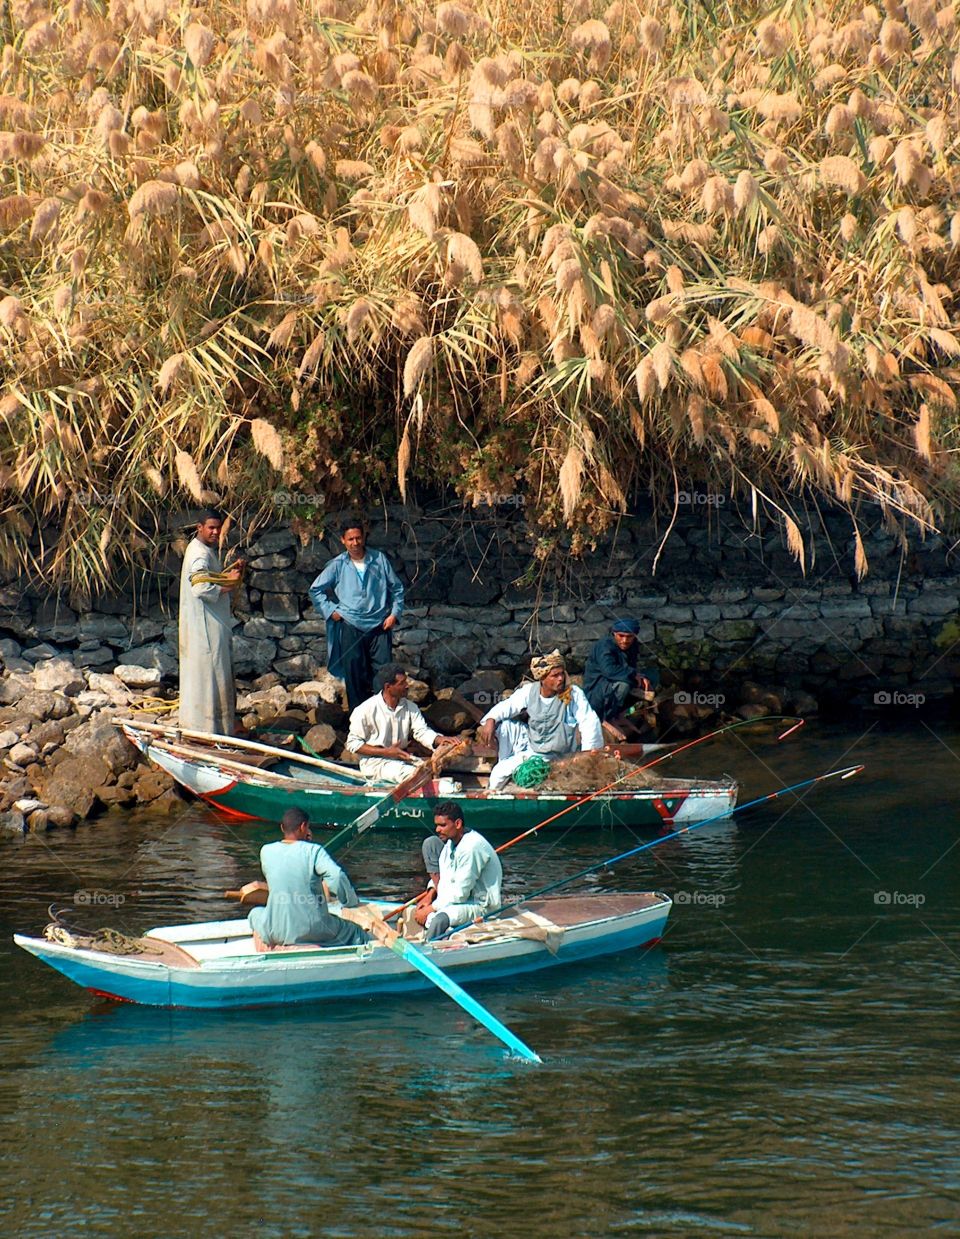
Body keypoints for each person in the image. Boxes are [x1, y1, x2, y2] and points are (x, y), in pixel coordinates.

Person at [308, 517, 405, 712]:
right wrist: (330, 611)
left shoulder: (378, 560)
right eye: (350, 539)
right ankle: (358, 722)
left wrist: (394, 614)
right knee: (354, 674)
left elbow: (397, 588)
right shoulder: (338, 565)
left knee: (383, 674)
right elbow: (315, 590)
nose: (355, 543)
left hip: (379, 625)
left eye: (358, 538)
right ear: (343, 541)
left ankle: (384, 717)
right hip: (350, 624)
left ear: (364, 538)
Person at [477, 650, 604, 790]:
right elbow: (507, 706)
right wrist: (490, 720)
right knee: (498, 772)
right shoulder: (529, 691)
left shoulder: (573, 694)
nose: (560, 679)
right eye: (555, 675)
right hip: (535, 752)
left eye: (562, 673)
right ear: (542, 678)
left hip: (563, 755)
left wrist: (588, 755)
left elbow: (589, 722)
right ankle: (494, 799)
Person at [248, 808, 368, 949]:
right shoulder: (313, 851)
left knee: (254, 914)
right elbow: (336, 876)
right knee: (355, 931)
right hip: (313, 930)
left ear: (282, 828)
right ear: (304, 826)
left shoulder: (266, 851)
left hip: (277, 930)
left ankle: (272, 946)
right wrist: (350, 901)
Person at [178, 508, 243, 734]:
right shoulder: (200, 554)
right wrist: (231, 584)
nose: (215, 532)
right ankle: (209, 729)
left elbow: (207, 579)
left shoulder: (202, 549)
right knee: (209, 676)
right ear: (200, 528)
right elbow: (201, 587)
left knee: (205, 676)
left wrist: (230, 575)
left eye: (218, 528)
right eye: (211, 528)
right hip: (205, 629)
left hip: (207, 626)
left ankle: (209, 727)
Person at [346, 663, 459, 784]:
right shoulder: (365, 710)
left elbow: (421, 731)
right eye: (402, 683)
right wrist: (386, 752)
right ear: (388, 687)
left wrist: (439, 739)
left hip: (402, 760)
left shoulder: (410, 707)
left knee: (431, 770)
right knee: (415, 775)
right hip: (375, 764)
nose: (407, 686)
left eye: (406, 682)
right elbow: (353, 744)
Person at [414, 801, 502, 940]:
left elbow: (460, 893)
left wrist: (431, 908)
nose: (437, 829)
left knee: (439, 919)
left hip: (481, 906)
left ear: (458, 824)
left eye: (442, 825)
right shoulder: (450, 844)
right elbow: (447, 878)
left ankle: (428, 949)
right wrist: (430, 894)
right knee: (426, 912)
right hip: (462, 900)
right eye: (436, 825)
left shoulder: (472, 847)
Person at [583, 618, 659, 733]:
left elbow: (631, 667)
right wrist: (633, 674)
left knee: (652, 676)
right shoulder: (604, 646)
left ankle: (619, 714)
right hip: (597, 689)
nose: (625, 640)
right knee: (624, 685)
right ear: (614, 634)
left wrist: (641, 677)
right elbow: (609, 671)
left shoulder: (632, 646)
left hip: (617, 680)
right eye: (621, 636)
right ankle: (606, 717)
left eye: (629, 637)